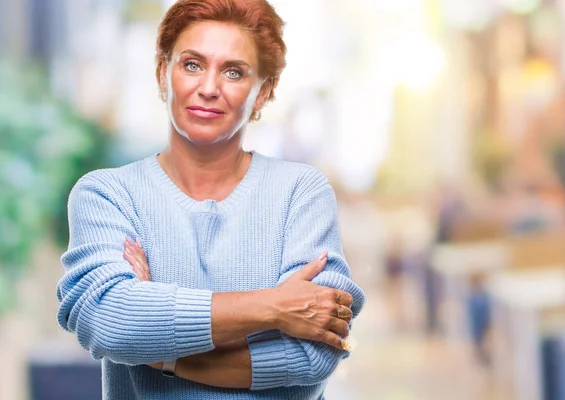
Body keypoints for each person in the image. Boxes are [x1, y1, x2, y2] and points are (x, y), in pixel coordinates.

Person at [55, 0, 366, 399]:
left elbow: (315, 353)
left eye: (233, 72)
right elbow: (110, 323)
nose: (208, 88)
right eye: (191, 64)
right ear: (162, 73)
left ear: (262, 92)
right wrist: (273, 308)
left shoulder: (300, 193)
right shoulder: (108, 195)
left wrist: (162, 352)